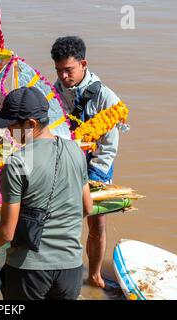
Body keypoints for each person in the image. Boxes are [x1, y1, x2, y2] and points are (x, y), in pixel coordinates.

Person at [0, 86, 93, 300]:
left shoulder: (17, 163)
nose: (8, 132)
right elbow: (87, 207)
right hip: (71, 268)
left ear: (31, 124)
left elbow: (6, 232)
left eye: (11, 126)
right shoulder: (75, 151)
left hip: (29, 271)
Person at [50, 36, 123, 288]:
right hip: (64, 161)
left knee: (96, 222)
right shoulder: (53, 92)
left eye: (68, 70)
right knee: (62, 222)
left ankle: (94, 275)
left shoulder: (106, 98)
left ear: (83, 64)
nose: (63, 76)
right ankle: (60, 275)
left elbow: (109, 147)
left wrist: (95, 178)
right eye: (59, 70)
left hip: (95, 165)